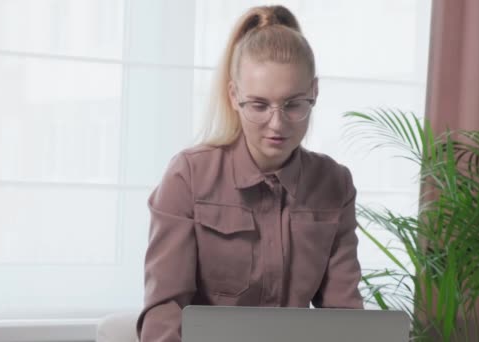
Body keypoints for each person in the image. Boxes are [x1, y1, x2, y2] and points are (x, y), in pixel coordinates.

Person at [136, 5, 363, 342]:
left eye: (293, 104)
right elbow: (163, 312)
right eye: (259, 105)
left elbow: (344, 318)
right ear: (234, 96)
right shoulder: (188, 177)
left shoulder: (335, 184)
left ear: (314, 92)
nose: (277, 123)